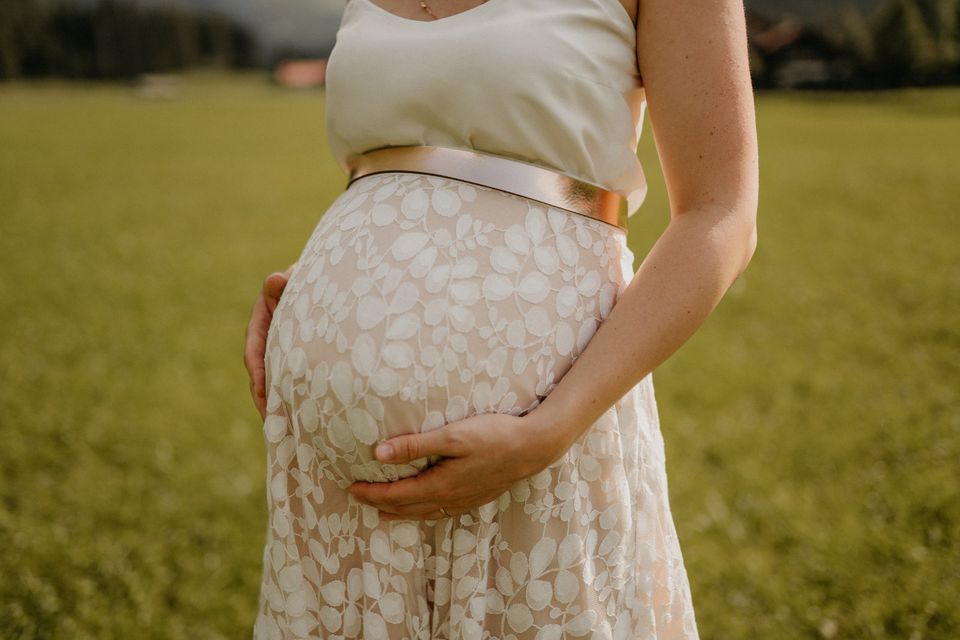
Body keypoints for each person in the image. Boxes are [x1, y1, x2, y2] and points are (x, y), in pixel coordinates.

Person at [243, 0, 758, 636]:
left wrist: (551, 428)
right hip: (335, 503)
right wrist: (314, 288)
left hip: (541, 445)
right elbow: (404, 170)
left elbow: (722, 214)